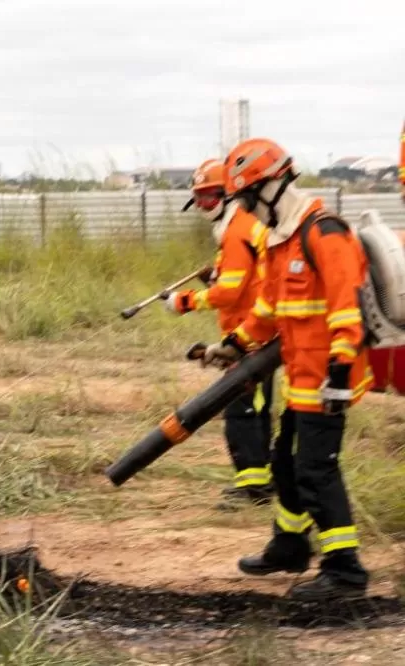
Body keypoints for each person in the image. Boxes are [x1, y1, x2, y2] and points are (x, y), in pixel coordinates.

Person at [200, 137, 374, 600]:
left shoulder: (324, 233)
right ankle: (290, 546)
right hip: (302, 379)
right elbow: (269, 311)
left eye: (247, 199)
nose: (246, 210)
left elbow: (346, 311)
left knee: (316, 470)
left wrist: (338, 377)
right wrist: (234, 344)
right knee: (285, 462)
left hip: (328, 380)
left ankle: (345, 571)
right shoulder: (282, 241)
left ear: (271, 186)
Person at [163, 158, 275, 509]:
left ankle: (254, 489)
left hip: (252, 335)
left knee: (243, 412)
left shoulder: (237, 230)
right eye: (198, 198)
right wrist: (216, 275)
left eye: (210, 198)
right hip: (250, 333)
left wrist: (182, 301)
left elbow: (229, 293)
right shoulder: (238, 227)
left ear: (228, 195)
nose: (202, 206)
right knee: (251, 410)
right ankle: (259, 483)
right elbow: (240, 279)